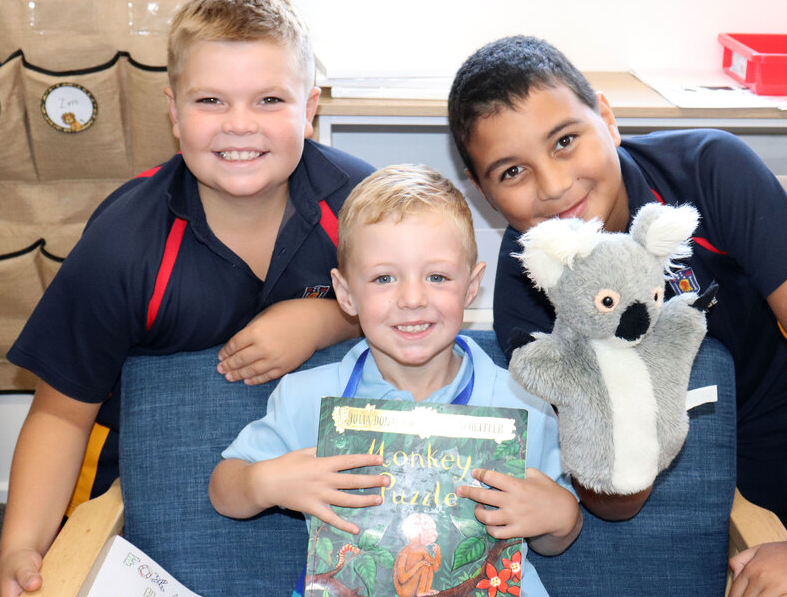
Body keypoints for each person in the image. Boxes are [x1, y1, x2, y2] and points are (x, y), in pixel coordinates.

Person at [446, 35, 787, 597]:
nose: (554, 186)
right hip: (641, 475)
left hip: (761, 434)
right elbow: (613, 498)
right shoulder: (527, 294)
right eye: (511, 172)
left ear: (606, 116)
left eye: (566, 141)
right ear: (481, 192)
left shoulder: (712, 170)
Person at [0, 0, 373, 595]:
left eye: (269, 99)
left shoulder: (364, 203)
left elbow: (424, 311)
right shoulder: (122, 244)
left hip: (337, 489)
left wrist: (329, 318)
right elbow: (60, 415)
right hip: (143, 491)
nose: (240, 124)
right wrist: (21, 545)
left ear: (309, 109)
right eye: (210, 100)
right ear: (174, 113)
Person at [209, 164, 583, 596]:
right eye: (384, 278)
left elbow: (556, 539)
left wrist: (561, 517)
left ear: (471, 287)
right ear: (346, 294)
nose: (411, 299)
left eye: (437, 277)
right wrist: (266, 483)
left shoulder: (524, 400)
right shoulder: (306, 397)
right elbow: (225, 488)